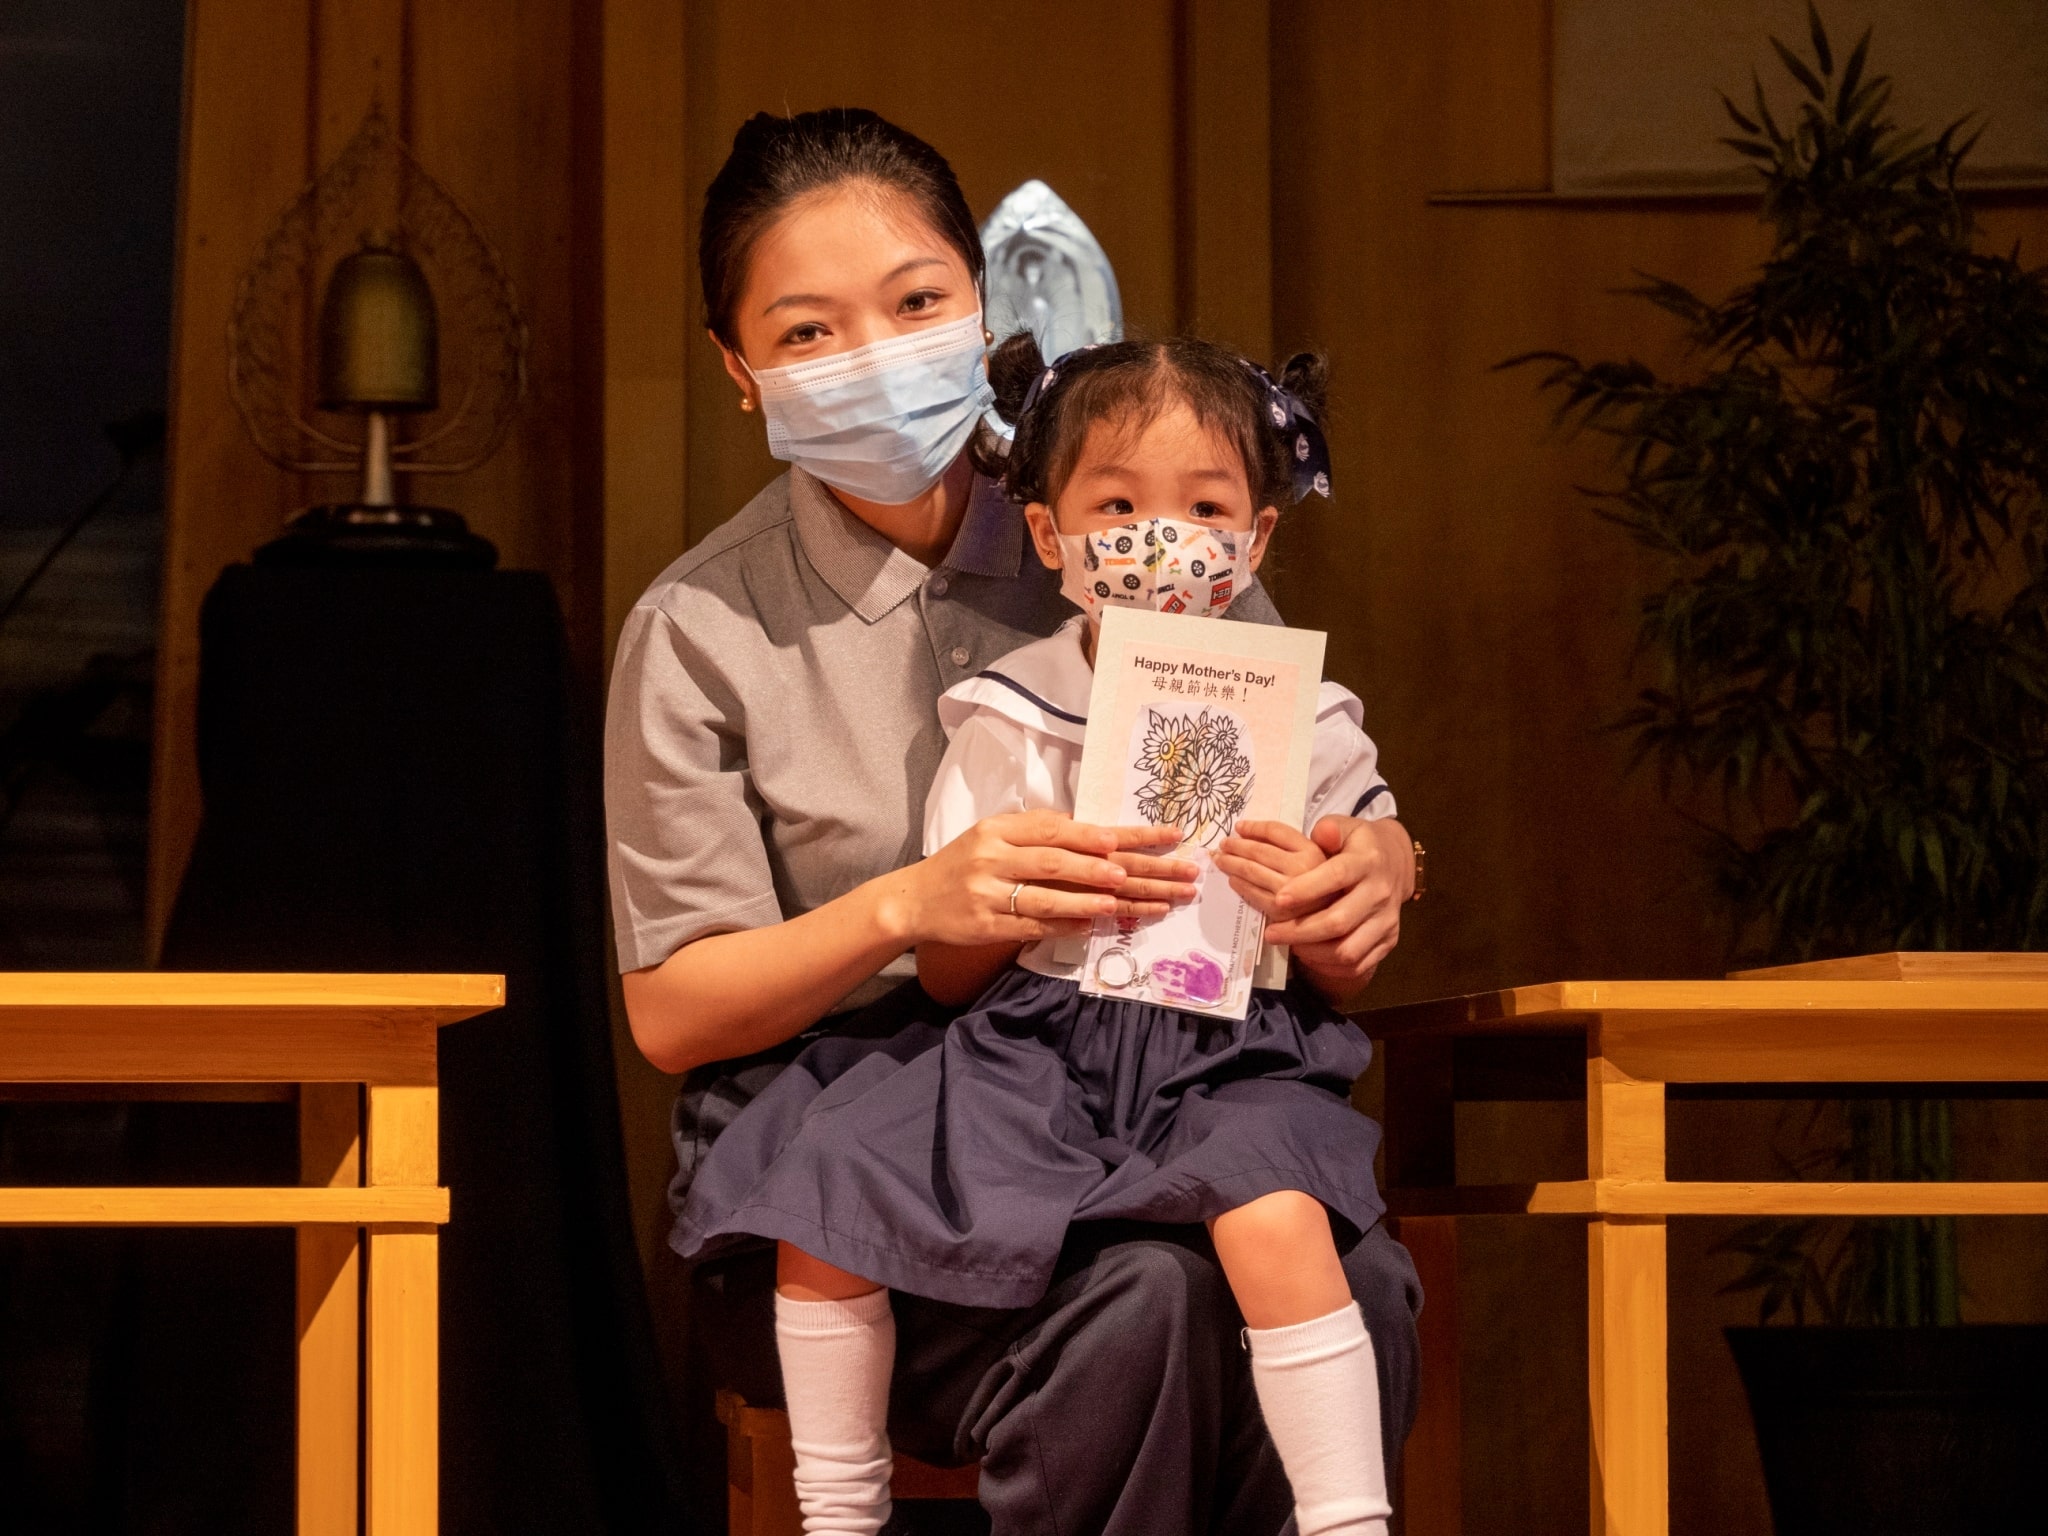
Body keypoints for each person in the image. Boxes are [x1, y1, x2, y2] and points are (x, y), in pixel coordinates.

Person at [605, 105, 1421, 1536]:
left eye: (917, 304)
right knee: (1145, 1305)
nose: (870, 353)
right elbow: (674, 1015)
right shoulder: (699, 628)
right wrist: (913, 907)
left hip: (1152, 1091)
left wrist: (1375, 869)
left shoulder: (1136, 533)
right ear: (738, 374)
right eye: (807, 333)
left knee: (1351, 1280)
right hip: (842, 1152)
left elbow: (1308, 798)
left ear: (983, 306)